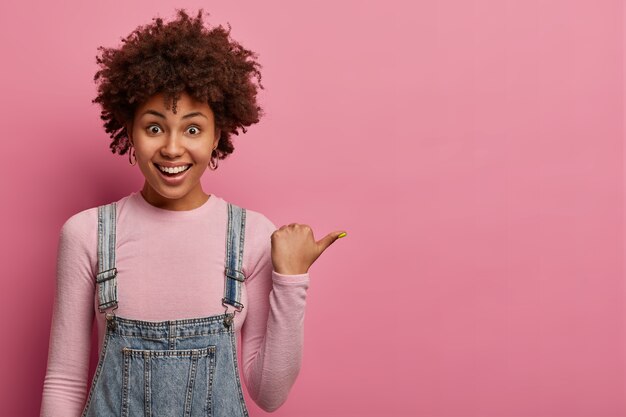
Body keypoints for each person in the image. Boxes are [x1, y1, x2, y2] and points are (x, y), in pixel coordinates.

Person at [39, 8, 346, 417]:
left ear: (218, 134)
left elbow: (269, 394)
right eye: (153, 127)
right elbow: (64, 381)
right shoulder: (87, 233)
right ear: (129, 130)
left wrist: (291, 280)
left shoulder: (252, 235)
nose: (171, 148)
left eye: (193, 128)